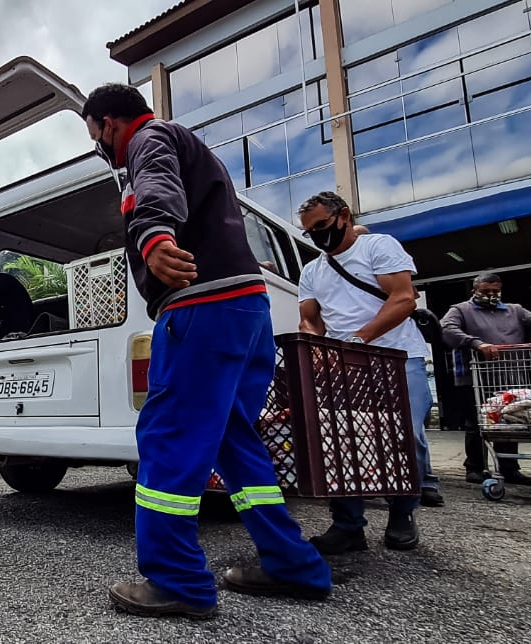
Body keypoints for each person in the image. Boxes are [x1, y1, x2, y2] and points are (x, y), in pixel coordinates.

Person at [83, 83, 331, 620]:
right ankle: (294, 565)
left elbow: (157, 191)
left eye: (94, 134)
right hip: (246, 314)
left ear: (108, 122)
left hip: (202, 309)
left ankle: (177, 581)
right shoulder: (193, 147)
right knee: (233, 441)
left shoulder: (149, 138)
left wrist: (152, 238)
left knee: (168, 435)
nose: (99, 146)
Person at [295, 191, 438, 553]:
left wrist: (360, 339)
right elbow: (310, 320)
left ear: (343, 215)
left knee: (407, 438)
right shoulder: (312, 270)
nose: (316, 235)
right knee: (342, 442)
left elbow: (404, 298)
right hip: (343, 364)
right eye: (309, 231)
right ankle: (347, 524)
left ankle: (402, 513)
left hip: (398, 357)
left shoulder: (378, 247)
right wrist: (318, 346)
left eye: (321, 226)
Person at [441, 272, 531, 485]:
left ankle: (509, 468)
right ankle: (476, 467)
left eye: (495, 291)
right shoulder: (461, 310)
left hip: (510, 375)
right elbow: (446, 328)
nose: (491, 295)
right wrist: (476, 343)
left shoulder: (514, 310)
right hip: (477, 377)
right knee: (479, 423)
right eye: (485, 291)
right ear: (474, 290)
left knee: (510, 421)